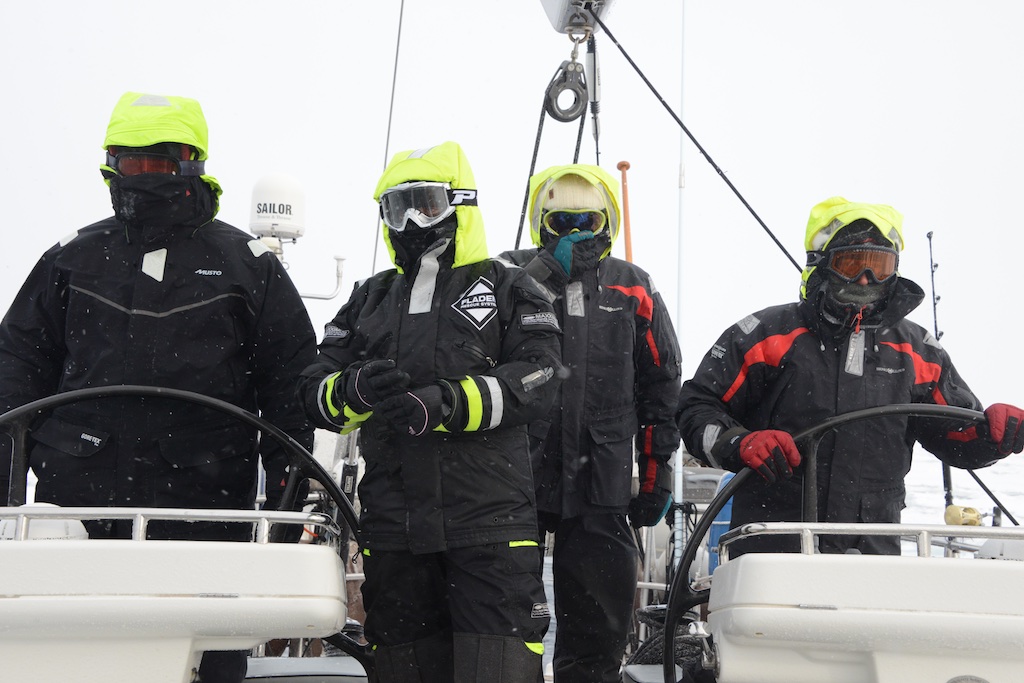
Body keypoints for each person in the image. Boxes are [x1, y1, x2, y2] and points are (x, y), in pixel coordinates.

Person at [0, 91, 317, 683]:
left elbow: (289, 390)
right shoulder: (71, 259)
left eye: (156, 162)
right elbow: (14, 374)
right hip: (74, 515)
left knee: (206, 657)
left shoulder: (249, 267)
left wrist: (283, 506)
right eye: (130, 161)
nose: (142, 175)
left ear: (191, 162)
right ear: (110, 164)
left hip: (204, 518)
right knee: (68, 660)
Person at [298, 141, 562, 682]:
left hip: (490, 530)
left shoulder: (511, 287)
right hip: (395, 531)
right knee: (404, 670)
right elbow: (310, 390)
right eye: (398, 208)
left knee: (500, 672)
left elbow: (540, 377)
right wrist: (353, 390)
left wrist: (448, 403)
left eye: (428, 204)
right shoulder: (369, 297)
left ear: (460, 204)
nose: (413, 221)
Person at [677, 196, 1024, 556]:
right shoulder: (764, 337)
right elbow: (696, 410)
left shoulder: (918, 352)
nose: (865, 277)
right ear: (823, 263)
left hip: (873, 556)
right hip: (772, 549)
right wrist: (740, 442)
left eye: (880, 266)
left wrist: (994, 434)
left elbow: (957, 436)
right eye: (852, 263)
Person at [499, 164, 682, 682]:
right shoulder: (508, 273)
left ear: (608, 222)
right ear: (541, 223)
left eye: (588, 221)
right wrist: (546, 272)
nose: (576, 233)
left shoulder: (633, 287)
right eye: (562, 222)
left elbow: (661, 385)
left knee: (599, 629)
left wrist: (656, 472)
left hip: (601, 482)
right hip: (515, 479)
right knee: (502, 618)